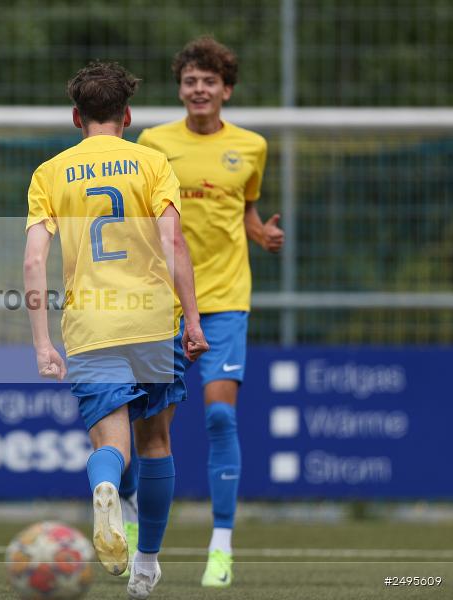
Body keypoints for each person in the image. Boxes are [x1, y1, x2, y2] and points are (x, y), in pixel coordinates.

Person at [24, 61, 208, 600]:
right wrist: (193, 319)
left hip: (91, 323)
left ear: (76, 116)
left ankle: (104, 484)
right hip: (152, 321)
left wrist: (41, 342)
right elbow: (174, 245)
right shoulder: (152, 163)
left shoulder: (50, 172)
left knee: (112, 444)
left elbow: (35, 262)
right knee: (156, 442)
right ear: (126, 115)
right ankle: (146, 565)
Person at [135, 36, 285, 588]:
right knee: (152, 426)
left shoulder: (251, 146)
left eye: (209, 81)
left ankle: (221, 543)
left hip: (224, 299)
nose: (199, 89)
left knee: (220, 415)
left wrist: (260, 233)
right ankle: (136, 524)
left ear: (226, 90)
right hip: (163, 303)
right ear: (181, 89)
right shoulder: (153, 142)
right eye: (190, 81)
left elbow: (243, 209)